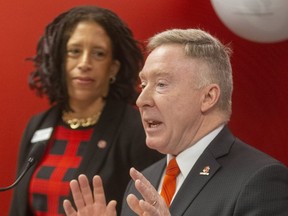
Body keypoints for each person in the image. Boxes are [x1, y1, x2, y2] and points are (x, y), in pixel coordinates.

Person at [63, 28, 288, 216]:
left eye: (161, 84)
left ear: (208, 97)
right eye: (143, 85)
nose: (141, 100)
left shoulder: (261, 180)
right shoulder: (142, 184)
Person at [9, 5, 163, 216]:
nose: (84, 63)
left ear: (113, 68)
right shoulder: (38, 125)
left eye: (98, 54)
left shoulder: (136, 129)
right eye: (74, 51)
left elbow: (157, 208)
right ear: (61, 61)